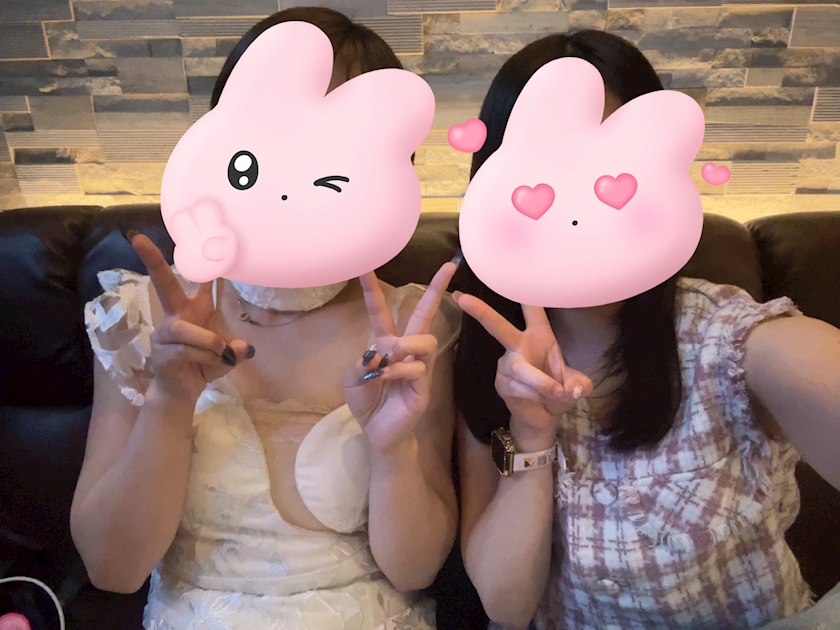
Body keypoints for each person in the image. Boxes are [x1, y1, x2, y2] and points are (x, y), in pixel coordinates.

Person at [69, 8, 462, 629]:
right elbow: (112, 569)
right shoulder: (145, 316)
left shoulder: (413, 325)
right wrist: (170, 399)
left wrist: (393, 449)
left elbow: (415, 570)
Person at [452, 30, 840, 630]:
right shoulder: (486, 352)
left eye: (609, 170)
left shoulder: (732, 342)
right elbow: (506, 605)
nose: (576, 210)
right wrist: (532, 434)